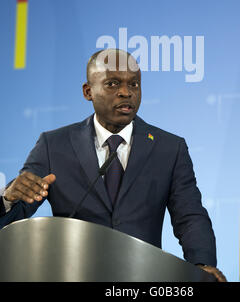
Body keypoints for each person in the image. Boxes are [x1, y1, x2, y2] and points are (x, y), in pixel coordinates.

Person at [0, 49, 226, 282]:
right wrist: (9, 198)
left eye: (134, 85)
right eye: (113, 84)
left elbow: (190, 216)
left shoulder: (169, 148)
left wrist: (202, 264)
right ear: (88, 92)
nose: (126, 93)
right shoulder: (53, 145)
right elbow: (22, 203)